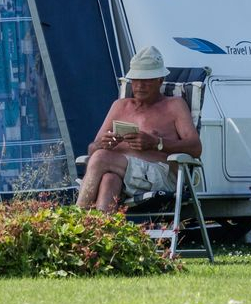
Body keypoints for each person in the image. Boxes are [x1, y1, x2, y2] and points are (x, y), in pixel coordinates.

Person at [76, 46, 201, 212]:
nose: (139, 86)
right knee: (108, 179)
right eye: (135, 80)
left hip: (159, 175)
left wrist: (157, 143)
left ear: (160, 80)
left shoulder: (174, 105)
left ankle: (74, 219)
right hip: (121, 172)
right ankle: (101, 234)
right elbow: (92, 149)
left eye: (146, 80)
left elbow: (195, 148)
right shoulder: (120, 106)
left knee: (100, 159)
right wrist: (102, 144)